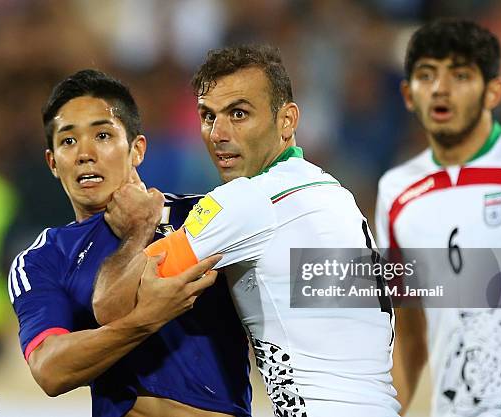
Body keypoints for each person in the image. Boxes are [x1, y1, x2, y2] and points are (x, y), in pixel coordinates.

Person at [94, 45, 399, 417]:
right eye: (208, 116)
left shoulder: (248, 200)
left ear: (286, 120)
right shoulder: (332, 194)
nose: (218, 133)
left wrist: (136, 231)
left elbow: (112, 305)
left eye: (239, 114)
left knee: (127, 403)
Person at [9, 69, 252, 417]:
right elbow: (50, 369)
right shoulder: (43, 259)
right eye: (67, 141)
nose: (84, 154)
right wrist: (145, 320)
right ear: (52, 163)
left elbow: (319, 279)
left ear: (137, 149)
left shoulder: (203, 215)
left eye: (103, 135)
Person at [375, 20, 501, 416]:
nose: (440, 89)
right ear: (408, 94)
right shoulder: (396, 191)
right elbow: (408, 326)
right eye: (426, 75)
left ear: (494, 90)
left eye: (461, 75)